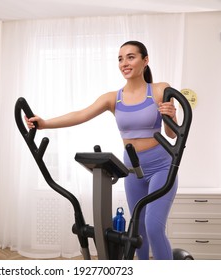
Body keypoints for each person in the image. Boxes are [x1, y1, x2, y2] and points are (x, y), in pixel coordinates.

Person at [25, 40, 178, 260]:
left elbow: (172, 135)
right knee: (138, 232)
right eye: (120, 58)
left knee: (153, 227)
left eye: (131, 57)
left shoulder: (159, 89)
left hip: (161, 167)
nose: (124, 63)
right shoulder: (113, 98)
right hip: (133, 170)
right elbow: (80, 114)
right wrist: (45, 123)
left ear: (145, 60)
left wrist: (172, 116)